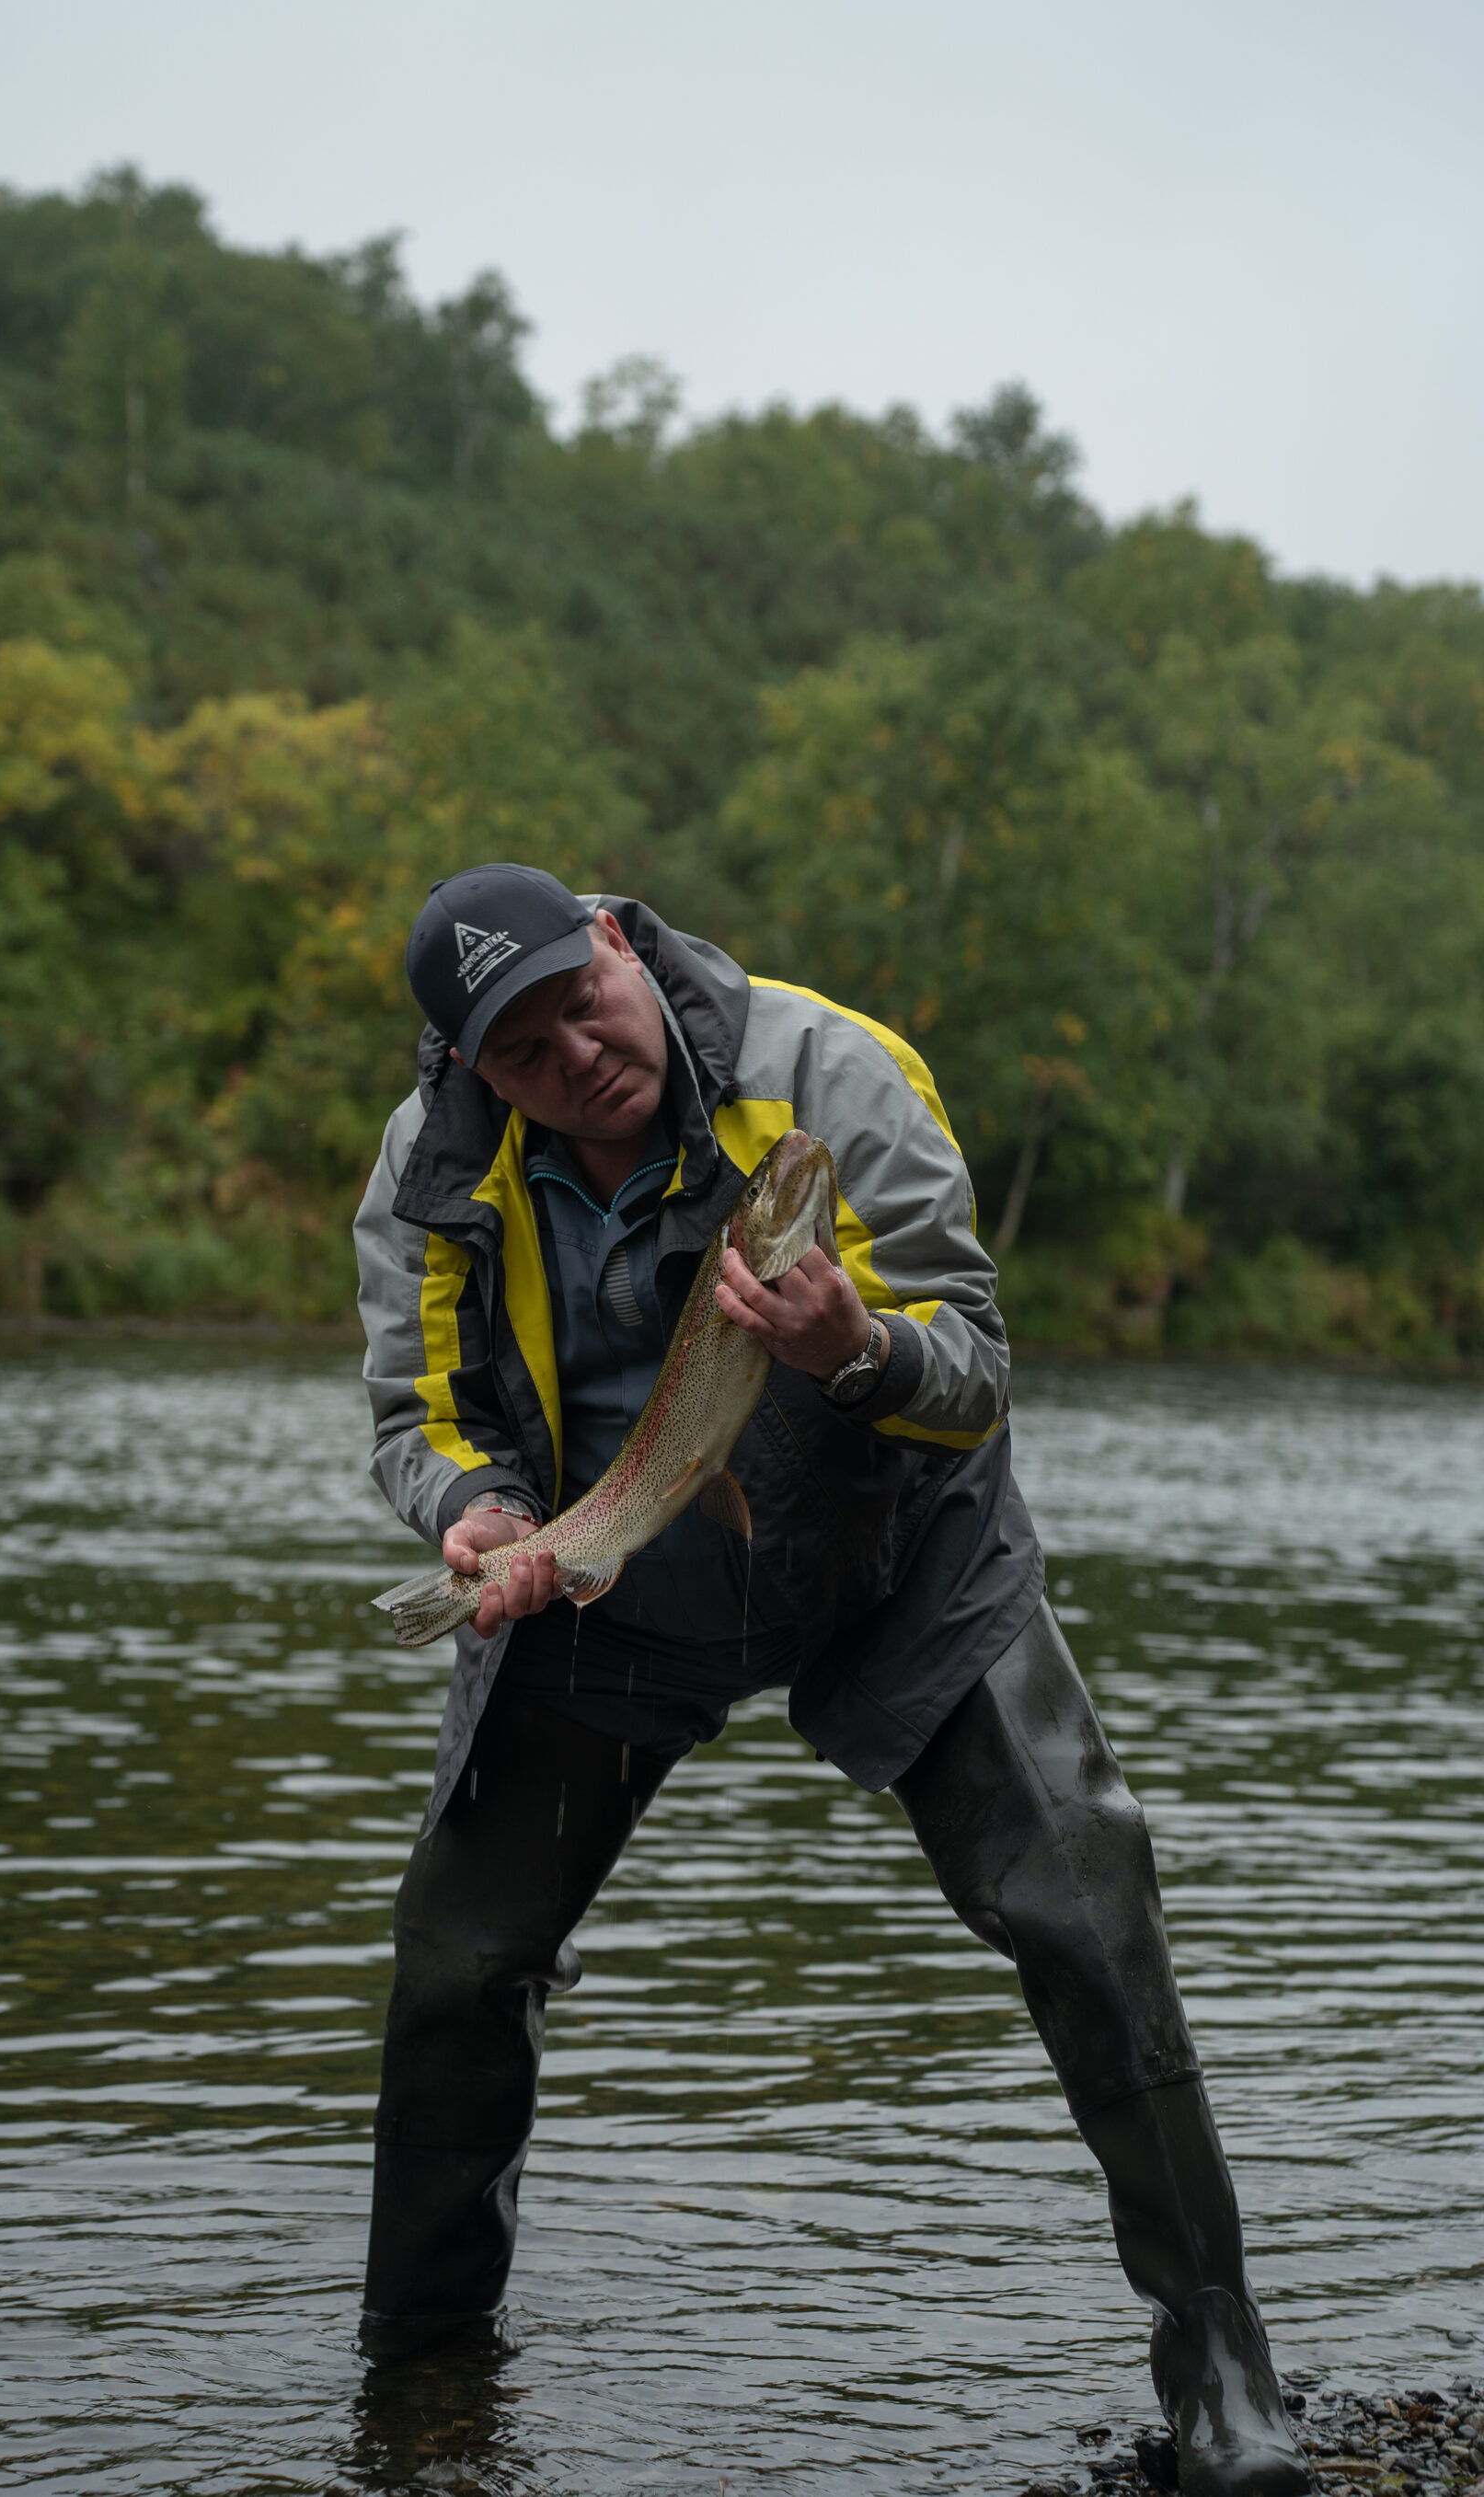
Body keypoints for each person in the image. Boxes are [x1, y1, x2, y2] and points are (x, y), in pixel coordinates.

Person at [352, 862, 1310, 2497]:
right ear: (471, 1074)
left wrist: (848, 1349)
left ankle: (1224, 2375)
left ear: (613, 939)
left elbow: (976, 1372)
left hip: (898, 1560)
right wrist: (479, 1513)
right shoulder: (434, 1166)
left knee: (1090, 1903)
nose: (574, 1053)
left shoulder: (831, 1075)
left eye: (580, 1001)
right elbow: (417, 1415)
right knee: (459, 1961)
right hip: (606, 1573)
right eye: (520, 1049)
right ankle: (419, 2386)